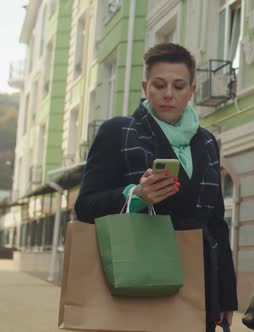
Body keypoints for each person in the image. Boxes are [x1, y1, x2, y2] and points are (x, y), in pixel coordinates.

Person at [75, 43, 237, 331]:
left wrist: (226, 295)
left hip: (200, 285)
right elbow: (84, 207)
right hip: (134, 282)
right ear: (144, 86)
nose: (168, 95)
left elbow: (216, 223)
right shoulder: (119, 132)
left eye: (178, 86)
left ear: (192, 90)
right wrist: (135, 196)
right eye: (159, 85)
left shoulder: (208, 142)